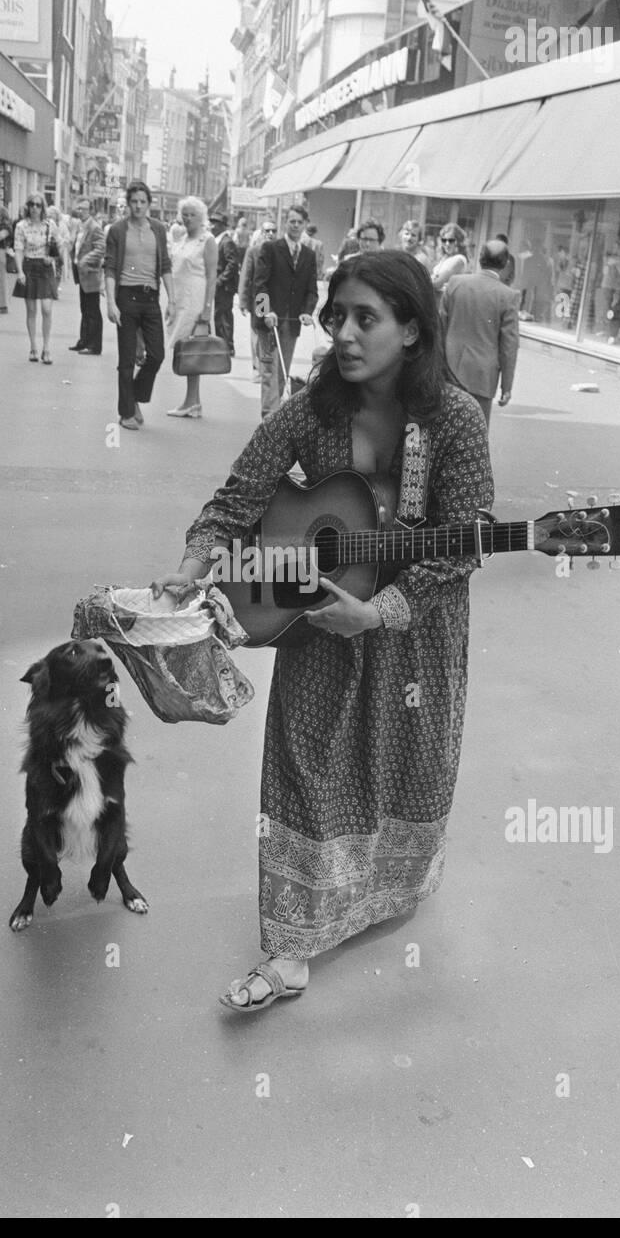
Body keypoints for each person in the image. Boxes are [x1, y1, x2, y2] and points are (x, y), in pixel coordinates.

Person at [151, 250, 493, 1011]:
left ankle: (383, 892)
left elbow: (465, 541)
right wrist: (194, 563)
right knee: (304, 765)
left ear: (412, 329)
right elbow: (238, 497)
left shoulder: (455, 420)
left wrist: (381, 612)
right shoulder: (311, 409)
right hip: (315, 625)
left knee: (403, 765)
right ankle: (291, 947)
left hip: (415, 635)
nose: (344, 333)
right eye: (336, 316)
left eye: (366, 318)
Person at [104, 179, 175, 430]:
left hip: (150, 297)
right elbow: (110, 267)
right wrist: (111, 302)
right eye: (133, 202)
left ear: (149, 204)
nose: (137, 206)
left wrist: (172, 299)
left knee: (156, 355)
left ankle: (133, 395)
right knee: (127, 359)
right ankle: (126, 413)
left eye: (142, 202)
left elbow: (165, 264)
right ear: (128, 203)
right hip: (126, 297)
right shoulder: (118, 230)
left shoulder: (158, 229)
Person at [439, 239, 519, 426]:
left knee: (444, 429)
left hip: (449, 371)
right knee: (475, 433)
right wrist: (506, 387)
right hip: (482, 377)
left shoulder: (455, 283)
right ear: (505, 264)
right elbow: (509, 347)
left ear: (480, 258)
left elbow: (439, 329)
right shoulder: (508, 296)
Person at [253, 203, 318, 417]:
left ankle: (274, 417)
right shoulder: (270, 248)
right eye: (292, 221)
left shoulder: (308, 255)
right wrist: (266, 311)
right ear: (285, 223)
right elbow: (259, 285)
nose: (295, 225)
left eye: (300, 222)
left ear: (305, 224)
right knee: (269, 370)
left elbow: (312, 290)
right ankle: (268, 417)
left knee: (282, 371)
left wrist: (307, 311)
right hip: (269, 323)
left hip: (291, 324)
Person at [164, 195, 217, 418]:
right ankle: (193, 402)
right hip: (180, 298)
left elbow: (212, 276)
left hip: (195, 299)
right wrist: (171, 301)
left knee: (191, 350)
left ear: (201, 216)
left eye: (192, 215)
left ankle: (191, 402)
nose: (187, 218)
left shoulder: (208, 240)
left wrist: (207, 308)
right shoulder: (182, 238)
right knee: (186, 350)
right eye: (184, 215)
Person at [13, 192, 60, 362]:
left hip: (45, 268)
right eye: (31, 204)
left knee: (46, 309)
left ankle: (46, 348)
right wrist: (20, 271)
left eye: (38, 205)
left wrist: (52, 257)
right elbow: (18, 249)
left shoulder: (50, 224)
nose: (34, 208)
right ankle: (33, 347)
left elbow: (59, 245)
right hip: (29, 266)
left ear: (42, 207)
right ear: (27, 207)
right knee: (31, 310)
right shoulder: (21, 226)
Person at [239, 219, 277, 375]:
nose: (271, 234)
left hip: (275, 300)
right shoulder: (253, 251)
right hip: (259, 299)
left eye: (273, 231)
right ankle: (257, 368)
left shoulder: (279, 251)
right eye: (267, 231)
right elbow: (246, 276)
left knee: (271, 334)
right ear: (261, 233)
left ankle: (268, 368)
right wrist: (243, 301)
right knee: (258, 332)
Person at [68, 198, 105, 356]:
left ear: (90, 210)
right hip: (82, 273)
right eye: (79, 208)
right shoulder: (80, 226)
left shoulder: (94, 227)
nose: (80, 211)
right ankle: (84, 341)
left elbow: (101, 249)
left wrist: (85, 259)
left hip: (90, 273)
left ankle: (94, 345)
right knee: (85, 309)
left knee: (92, 311)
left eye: (83, 209)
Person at [210, 208, 239, 359]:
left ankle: (227, 346)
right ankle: (222, 345)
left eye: (215, 223)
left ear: (222, 226)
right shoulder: (217, 241)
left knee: (224, 317)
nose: (211, 226)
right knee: (219, 316)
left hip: (225, 287)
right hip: (219, 286)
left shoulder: (227, 242)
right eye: (211, 222)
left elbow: (232, 265)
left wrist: (220, 281)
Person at [430, 223, 468, 295]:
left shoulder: (459, 259)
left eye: (451, 240)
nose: (447, 244)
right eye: (444, 240)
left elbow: (437, 283)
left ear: (458, 241)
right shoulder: (444, 258)